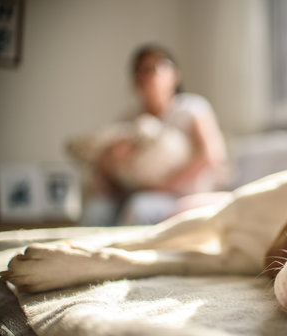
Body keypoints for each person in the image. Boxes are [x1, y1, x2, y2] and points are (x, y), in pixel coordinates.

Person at [80, 44, 231, 225]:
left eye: (158, 66)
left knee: (139, 209)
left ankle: (125, 253)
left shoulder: (192, 108)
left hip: (182, 194)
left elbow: (209, 156)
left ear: (175, 75)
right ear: (135, 80)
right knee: (97, 209)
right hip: (135, 192)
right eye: (142, 70)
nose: (150, 75)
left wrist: (163, 187)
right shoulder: (129, 119)